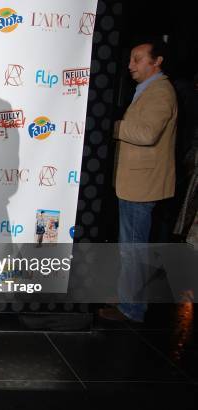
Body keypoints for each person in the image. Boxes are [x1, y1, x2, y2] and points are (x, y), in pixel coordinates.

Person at [99, 38, 178, 323]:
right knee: (129, 246)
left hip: (142, 185)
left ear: (156, 62)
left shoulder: (160, 92)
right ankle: (126, 296)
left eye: (138, 59)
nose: (130, 65)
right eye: (131, 59)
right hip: (134, 182)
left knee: (133, 248)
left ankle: (132, 308)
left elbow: (147, 134)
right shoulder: (146, 90)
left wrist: (114, 126)